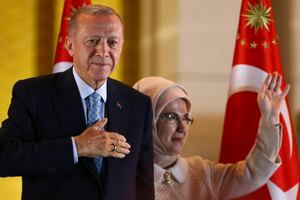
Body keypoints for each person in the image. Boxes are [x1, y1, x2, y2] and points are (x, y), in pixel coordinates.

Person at [0, 5, 154, 200]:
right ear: (70, 45)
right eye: (93, 41)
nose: (103, 51)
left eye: (112, 42)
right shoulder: (33, 94)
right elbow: (4, 157)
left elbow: (143, 184)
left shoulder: (138, 104)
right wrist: (76, 147)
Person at [133, 72, 288, 200]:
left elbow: (253, 173)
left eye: (186, 118)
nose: (182, 128)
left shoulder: (202, 173)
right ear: (147, 119)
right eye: (171, 117)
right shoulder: (124, 175)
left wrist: (270, 120)